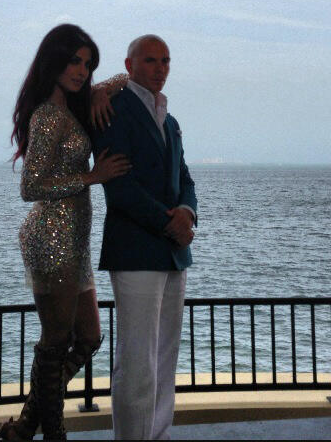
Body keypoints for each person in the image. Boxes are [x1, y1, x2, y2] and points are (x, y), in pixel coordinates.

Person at [0, 24, 130, 441]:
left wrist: (102, 89)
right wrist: (91, 177)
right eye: (74, 61)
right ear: (53, 60)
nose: (81, 70)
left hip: (74, 241)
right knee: (55, 343)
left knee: (89, 337)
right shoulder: (48, 116)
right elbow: (30, 187)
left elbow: (125, 77)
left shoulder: (72, 106)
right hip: (50, 239)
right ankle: (52, 434)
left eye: (88, 64)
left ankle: (24, 426)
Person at [92, 34, 198, 440]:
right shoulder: (114, 110)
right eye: (151, 60)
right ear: (129, 65)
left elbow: (184, 179)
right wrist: (169, 223)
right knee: (137, 362)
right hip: (135, 251)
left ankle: (158, 434)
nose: (160, 68)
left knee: (165, 358)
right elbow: (119, 187)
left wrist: (187, 212)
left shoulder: (170, 121)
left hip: (172, 253)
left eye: (166, 60)